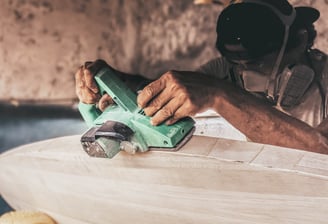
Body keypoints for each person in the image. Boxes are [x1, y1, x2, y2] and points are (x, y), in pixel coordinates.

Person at [75, 0, 328, 154]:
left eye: (257, 62)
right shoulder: (222, 70)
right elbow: (169, 94)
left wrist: (219, 94)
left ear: (298, 41)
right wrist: (116, 82)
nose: (244, 71)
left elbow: (322, 150)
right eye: (236, 61)